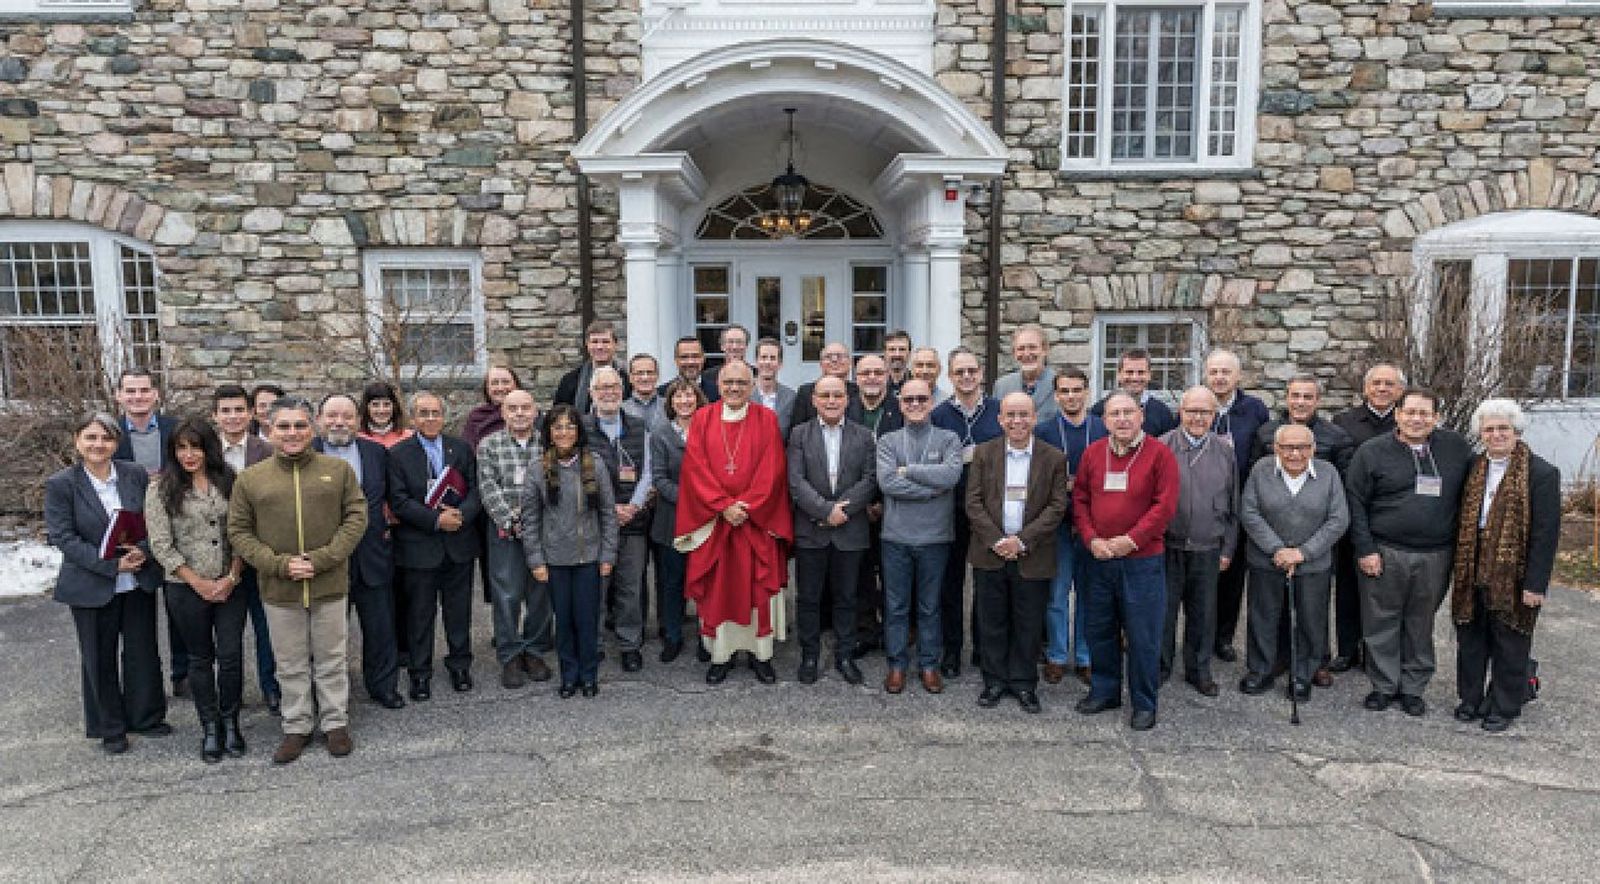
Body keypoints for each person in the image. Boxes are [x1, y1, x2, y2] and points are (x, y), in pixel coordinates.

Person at [228, 397, 367, 764]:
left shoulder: (337, 471)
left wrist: (321, 560)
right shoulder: (250, 479)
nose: (292, 433)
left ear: (314, 428)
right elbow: (239, 531)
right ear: (270, 430)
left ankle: (335, 723)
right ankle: (297, 725)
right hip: (279, 588)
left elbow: (356, 517)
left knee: (332, 657)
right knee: (288, 662)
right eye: (284, 426)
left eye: (300, 425)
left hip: (329, 583)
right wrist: (279, 565)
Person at [1345, 388, 1473, 716]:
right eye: (1410, 413)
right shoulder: (1372, 452)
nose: (1417, 419)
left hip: (1436, 554)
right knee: (1381, 621)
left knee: (1420, 622)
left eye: (1425, 414)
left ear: (1436, 418)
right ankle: (1384, 685)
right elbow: (1355, 503)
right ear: (1398, 415)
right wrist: (1365, 549)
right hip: (1386, 551)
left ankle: (1413, 687)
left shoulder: (1456, 449)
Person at [45, 413, 168, 755]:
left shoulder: (133, 474)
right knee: (99, 656)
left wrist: (142, 552)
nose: (98, 445)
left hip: (137, 578)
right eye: (91, 438)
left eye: (106, 438)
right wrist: (111, 565)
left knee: (142, 651)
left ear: (116, 442)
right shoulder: (62, 484)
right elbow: (63, 537)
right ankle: (110, 726)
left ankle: (146, 716)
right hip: (91, 583)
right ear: (77, 441)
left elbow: (151, 522)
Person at [674, 361, 793, 685]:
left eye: (742, 382)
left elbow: (773, 469)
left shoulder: (766, 418)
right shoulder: (703, 418)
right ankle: (720, 655)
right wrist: (723, 506)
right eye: (729, 382)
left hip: (755, 523)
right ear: (719, 384)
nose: (735, 388)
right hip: (717, 524)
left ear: (752, 385)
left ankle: (761, 656)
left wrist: (748, 507)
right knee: (719, 591)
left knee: (757, 588)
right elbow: (695, 469)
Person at [1451, 400, 1561, 732]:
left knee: (1510, 638)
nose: (1496, 435)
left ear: (1516, 432)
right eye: (1489, 429)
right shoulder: (1473, 466)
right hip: (1472, 563)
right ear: (1480, 434)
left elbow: (1546, 534)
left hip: (1515, 569)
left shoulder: (1540, 473)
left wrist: (1535, 584)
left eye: (1503, 429)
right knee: (1471, 634)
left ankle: (1505, 703)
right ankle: (1470, 698)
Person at [1073, 392, 1180, 731]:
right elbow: (1080, 500)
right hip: (1099, 558)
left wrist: (1130, 540)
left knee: (1142, 635)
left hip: (1141, 561)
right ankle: (1105, 691)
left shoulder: (1160, 455)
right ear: (1104, 420)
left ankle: (1144, 702)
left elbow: (1164, 507)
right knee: (1099, 629)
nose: (1121, 419)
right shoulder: (1093, 454)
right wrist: (1091, 539)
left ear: (1141, 416)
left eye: (1128, 412)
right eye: (1114, 413)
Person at [146, 418, 247, 763]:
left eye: (196, 446)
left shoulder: (229, 479)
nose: (189, 455)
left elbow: (241, 532)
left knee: (231, 656)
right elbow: (161, 545)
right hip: (186, 587)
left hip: (231, 584)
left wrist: (232, 577)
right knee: (200, 658)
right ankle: (210, 726)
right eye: (181, 448)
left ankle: (232, 722)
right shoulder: (161, 487)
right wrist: (199, 583)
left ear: (208, 448)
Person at [966, 392, 1069, 713]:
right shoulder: (983, 454)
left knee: (1028, 622)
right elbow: (973, 502)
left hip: (1033, 554)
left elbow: (1056, 507)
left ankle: (1024, 683)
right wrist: (998, 540)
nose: (1017, 421)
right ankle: (994, 680)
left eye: (1023, 414)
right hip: (990, 551)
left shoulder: (1054, 458)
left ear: (1035, 417)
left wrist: (1021, 541)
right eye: (1010, 415)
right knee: (992, 620)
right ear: (1000, 419)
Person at [1238, 424, 1350, 701]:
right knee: (1263, 616)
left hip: (1312, 564)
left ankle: (1302, 675)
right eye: (1288, 447)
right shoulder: (1261, 470)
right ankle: (1261, 670)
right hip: (1267, 560)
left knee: (1311, 620)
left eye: (1302, 447)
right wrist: (1277, 549)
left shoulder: (1328, 474)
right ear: (1276, 448)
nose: (1295, 453)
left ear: (1313, 449)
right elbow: (1249, 512)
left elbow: (1338, 520)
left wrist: (1303, 552)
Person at [314, 394, 406, 709]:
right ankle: (330, 694)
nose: (339, 422)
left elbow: (394, 499)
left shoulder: (377, 453)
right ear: (319, 419)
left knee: (380, 627)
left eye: (347, 416)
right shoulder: (307, 452)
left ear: (358, 421)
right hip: (324, 558)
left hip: (372, 555)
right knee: (327, 634)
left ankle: (383, 686)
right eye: (332, 416)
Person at [389, 392, 481, 699]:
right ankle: (420, 673)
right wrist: (434, 521)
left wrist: (461, 516)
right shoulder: (399, 453)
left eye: (435, 413)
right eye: (423, 413)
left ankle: (460, 666)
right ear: (412, 419)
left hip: (459, 544)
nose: (430, 419)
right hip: (419, 548)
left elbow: (475, 491)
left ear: (444, 416)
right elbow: (399, 500)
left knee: (459, 612)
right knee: (419, 615)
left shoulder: (461, 449)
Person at [522, 405, 619, 698]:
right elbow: (531, 519)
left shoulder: (595, 464)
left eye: (570, 427)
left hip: (589, 558)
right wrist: (536, 559)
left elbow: (607, 513)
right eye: (558, 427)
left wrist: (607, 555)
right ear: (549, 433)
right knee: (563, 622)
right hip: (555, 560)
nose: (564, 432)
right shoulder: (538, 469)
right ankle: (569, 675)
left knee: (587, 620)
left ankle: (588, 676)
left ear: (578, 431)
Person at [787, 375, 878, 685]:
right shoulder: (799, 434)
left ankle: (844, 654)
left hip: (850, 531)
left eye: (837, 395)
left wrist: (843, 511)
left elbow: (869, 480)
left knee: (847, 597)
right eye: (824, 395)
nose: (830, 401)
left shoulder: (864, 436)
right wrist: (825, 511)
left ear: (846, 399)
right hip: (811, 530)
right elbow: (796, 481)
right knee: (809, 598)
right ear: (813, 399)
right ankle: (809, 655)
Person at [876, 379, 964, 694]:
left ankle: (929, 665)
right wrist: (932, 489)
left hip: (935, 537)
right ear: (900, 403)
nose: (915, 404)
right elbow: (887, 483)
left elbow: (951, 475)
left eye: (921, 399)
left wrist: (908, 470)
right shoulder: (887, 441)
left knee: (930, 607)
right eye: (909, 399)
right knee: (896, 606)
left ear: (931, 402)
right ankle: (897, 665)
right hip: (896, 537)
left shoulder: (949, 438)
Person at [111, 368, 188, 700]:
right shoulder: (109, 433)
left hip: (175, 525)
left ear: (156, 394)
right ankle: (145, 685)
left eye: (144, 390)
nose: (137, 397)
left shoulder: (175, 429)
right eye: (130, 391)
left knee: (180, 606)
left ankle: (182, 674)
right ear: (119, 396)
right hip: (130, 530)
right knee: (139, 613)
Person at [1156, 386, 1237, 697]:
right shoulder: (1162, 447)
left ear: (1214, 416)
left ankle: (1198, 670)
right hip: (1168, 546)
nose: (1198, 418)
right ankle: (1161, 666)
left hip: (1208, 547)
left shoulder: (1225, 451)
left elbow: (1234, 505)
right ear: (1181, 413)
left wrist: (1227, 548)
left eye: (1205, 412)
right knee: (1164, 612)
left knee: (1203, 615)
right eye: (1192, 411)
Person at [1328, 363, 1405, 673]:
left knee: (1385, 593)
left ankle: (1379, 654)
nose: (1382, 389)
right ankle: (1348, 650)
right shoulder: (1344, 423)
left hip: (1391, 518)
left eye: (1389, 384)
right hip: (1352, 514)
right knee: (1348, 588)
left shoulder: (1405, 424)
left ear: (1399, 391)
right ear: (1365, 389)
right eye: (1377, 383)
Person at [930, 347, 1001, 676]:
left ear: (981, 373)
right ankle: (952, 650)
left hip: (990, 511)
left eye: (971, 370)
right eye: (959, 372)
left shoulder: (999, 412)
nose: (966, 377)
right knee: (951, 582)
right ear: (950, 376)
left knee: (987, 582)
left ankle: (984, 649)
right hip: (950, 508)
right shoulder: (939, 415)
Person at [1033, 367, 1106, 686]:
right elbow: (1037, 478)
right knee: (1057, 595)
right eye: (1064, 391)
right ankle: (1058, 656)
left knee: (1090, 596)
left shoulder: (1102, 429)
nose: (1071, 396)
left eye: (1077, 390)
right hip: (1058, 527)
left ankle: (1087, 657)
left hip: (1094, 526)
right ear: (1056, 394)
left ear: (1086, 392)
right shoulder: (1046, 431)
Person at [476, 388, 553, 688]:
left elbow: (553, 484)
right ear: (503, 412)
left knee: (540, 594)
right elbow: (488, 487)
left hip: (543, 531)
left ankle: (534, 650)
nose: (520, 413)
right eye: (513, 408)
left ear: (535, 411)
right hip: (504, 531)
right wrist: (511, 521)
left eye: (525, 407)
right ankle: (509, 654)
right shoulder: (489, 445)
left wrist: (535, 524)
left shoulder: (547, 443)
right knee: (506, 595)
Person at [212, 384, 280, 714]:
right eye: (226, 410)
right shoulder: (203, 452)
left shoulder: (267, 450)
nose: (233, 416)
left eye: (239, 409)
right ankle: (231, 695)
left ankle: (272, 688)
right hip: (221, 558)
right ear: (215, 415)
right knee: (228, 633)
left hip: (261, 552)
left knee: (267, 627)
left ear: (251, 413)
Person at [1203, 349, 1272, 667]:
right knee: (1202, 576)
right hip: (1203, 503)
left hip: (1239, 503)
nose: (1219, 377)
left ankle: (1223, 638)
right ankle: (1199, 635)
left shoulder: (1254, 409)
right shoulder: (1197, 404)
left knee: (1232, 576)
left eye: (1225, 372)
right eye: (1214, 371)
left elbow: (1262, 454)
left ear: (1237, 377)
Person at [583, 366, 654, 672]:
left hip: (632, 523)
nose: (609, 392)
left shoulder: (638, 427)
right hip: (595, 524)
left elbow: (650, 470)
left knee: (630, 587)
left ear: (622, 391)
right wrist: (608, 509)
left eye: (614, 387)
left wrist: (634, 506)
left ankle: (629, 644)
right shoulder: (580, 429)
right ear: (591, 394)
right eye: (602, 388)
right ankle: (594, 643)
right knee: (596, 587)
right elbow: (578, 475)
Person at [846, 354, 903, 654]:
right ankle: (866, 631)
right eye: (865, 372)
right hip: (856, 507)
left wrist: (882, 501)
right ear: (856, 377)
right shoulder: (846, 408)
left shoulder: (900, 409)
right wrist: (863, 502)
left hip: (894, 507)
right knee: (861, 574)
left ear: (887, 376)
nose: (871, 378)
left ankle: (894, 632)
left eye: (877, 372)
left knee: (893, 574)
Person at [650, 378, 707, 663]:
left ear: (698, 399)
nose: (684, 402)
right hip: (671, 519)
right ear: (670, 403)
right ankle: (672, 636)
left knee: (705, 583)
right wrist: (690, 499)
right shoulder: (660, 434)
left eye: (689, 396)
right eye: (678, 397)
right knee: (672, 583)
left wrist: (704, 501)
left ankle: (706, 638)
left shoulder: (710, 430)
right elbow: (658, 478)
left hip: (707, 520)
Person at [1250, 376, 1355, 473]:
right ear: (1287, 398)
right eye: (1295, 396)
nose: (1300, 402)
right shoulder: (1265, 433)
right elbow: (1255, 473)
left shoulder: (1337, 437)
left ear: (1317, 401)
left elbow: (1343, 478)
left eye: (1307, 397)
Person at [1090, 349, 1176, 438]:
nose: (1135, 378)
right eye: (1129, 372)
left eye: (1141, 372)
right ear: (1119, 375)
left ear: (1149, 375)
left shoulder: (1162, 413)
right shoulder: (1099, 410)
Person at [554, 319, 630, 414]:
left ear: (615, 344)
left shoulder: (626, 379)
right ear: (587, 344)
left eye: (605, 341)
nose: (599, 347)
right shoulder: (570, 381)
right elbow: (558, 416)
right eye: (594, 342)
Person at [992, 325, 1058, 421]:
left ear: (1045, 350)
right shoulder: (1002, 386)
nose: (1026, 354)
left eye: (1032, 347)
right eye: (1021, 349)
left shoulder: (1059, 385)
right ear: (1014, 353)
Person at [790, 341, 859, 428]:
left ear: (850, 362)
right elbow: (797, 428)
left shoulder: (858, 391)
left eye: (840, 356)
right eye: (828, 357)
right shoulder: (806, 392)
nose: (834, 360)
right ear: (821, 363)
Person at [461, 363, 522, 450]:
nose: (500, 388)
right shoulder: (476, 416)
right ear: (487, 388)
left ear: (516, 385)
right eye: (494, 383)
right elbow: (467, 451)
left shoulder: (529, 414)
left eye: (505, 382)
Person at [752, 337, 797, 438]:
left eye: (772, 358)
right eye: (763, 357)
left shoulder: (791, 397)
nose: (767, 362)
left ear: (780, 364)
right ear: (756, 361)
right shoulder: (745, 396)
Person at [660, 335, 719, 404]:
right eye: (684, 357)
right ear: (676, 360)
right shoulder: (662, 393)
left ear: (703, 358)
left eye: (695, 356)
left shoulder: (718, 392)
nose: (690, 362)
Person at [358, 380, 413, 448]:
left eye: (386, 404)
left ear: (394, 407)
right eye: (375, 405)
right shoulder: (357, 439)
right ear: (366, 407)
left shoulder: (409, 438)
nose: (381, 410)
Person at [622, 353, 665, 431]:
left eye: (650, 372)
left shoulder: (670, 406)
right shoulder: (621, 409)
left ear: (657, 376)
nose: (645, 378)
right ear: (630, 378)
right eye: (639, 373)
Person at [883, 329, 912, 397]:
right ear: (885, 353)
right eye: (892, 349)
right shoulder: (877, 382)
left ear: (909, 353)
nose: (897, 354)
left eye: (902, 349)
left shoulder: (917, 383)